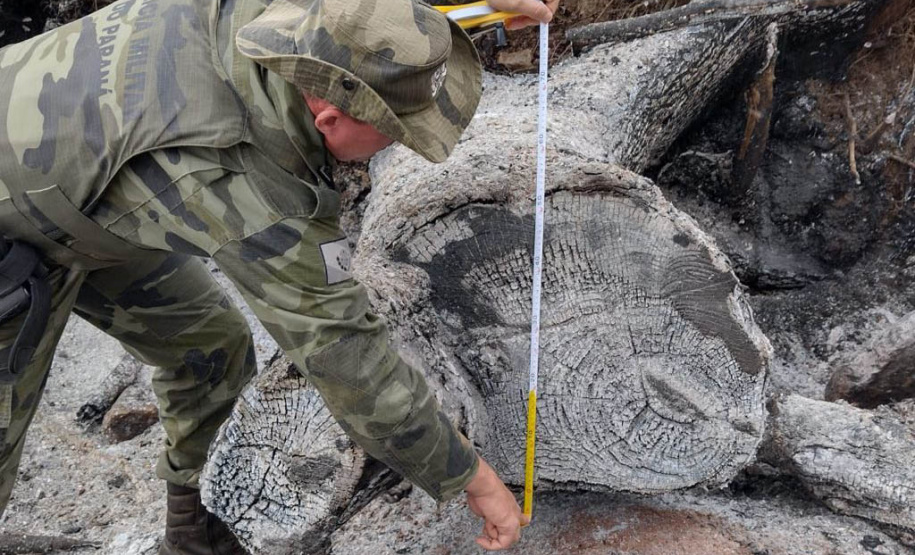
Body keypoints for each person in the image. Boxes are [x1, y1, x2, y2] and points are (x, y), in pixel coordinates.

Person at [0, 0, 558, 552]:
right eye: (396, 132)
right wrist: (472, 478)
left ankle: (198, 536)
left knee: (209, 348)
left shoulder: (294, 20)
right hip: (14, 236)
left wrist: (488, 4)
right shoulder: (253, 189)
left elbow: (365, 21)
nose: (402, 144)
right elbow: (348, 359)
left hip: (88, 186)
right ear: (331, 119)